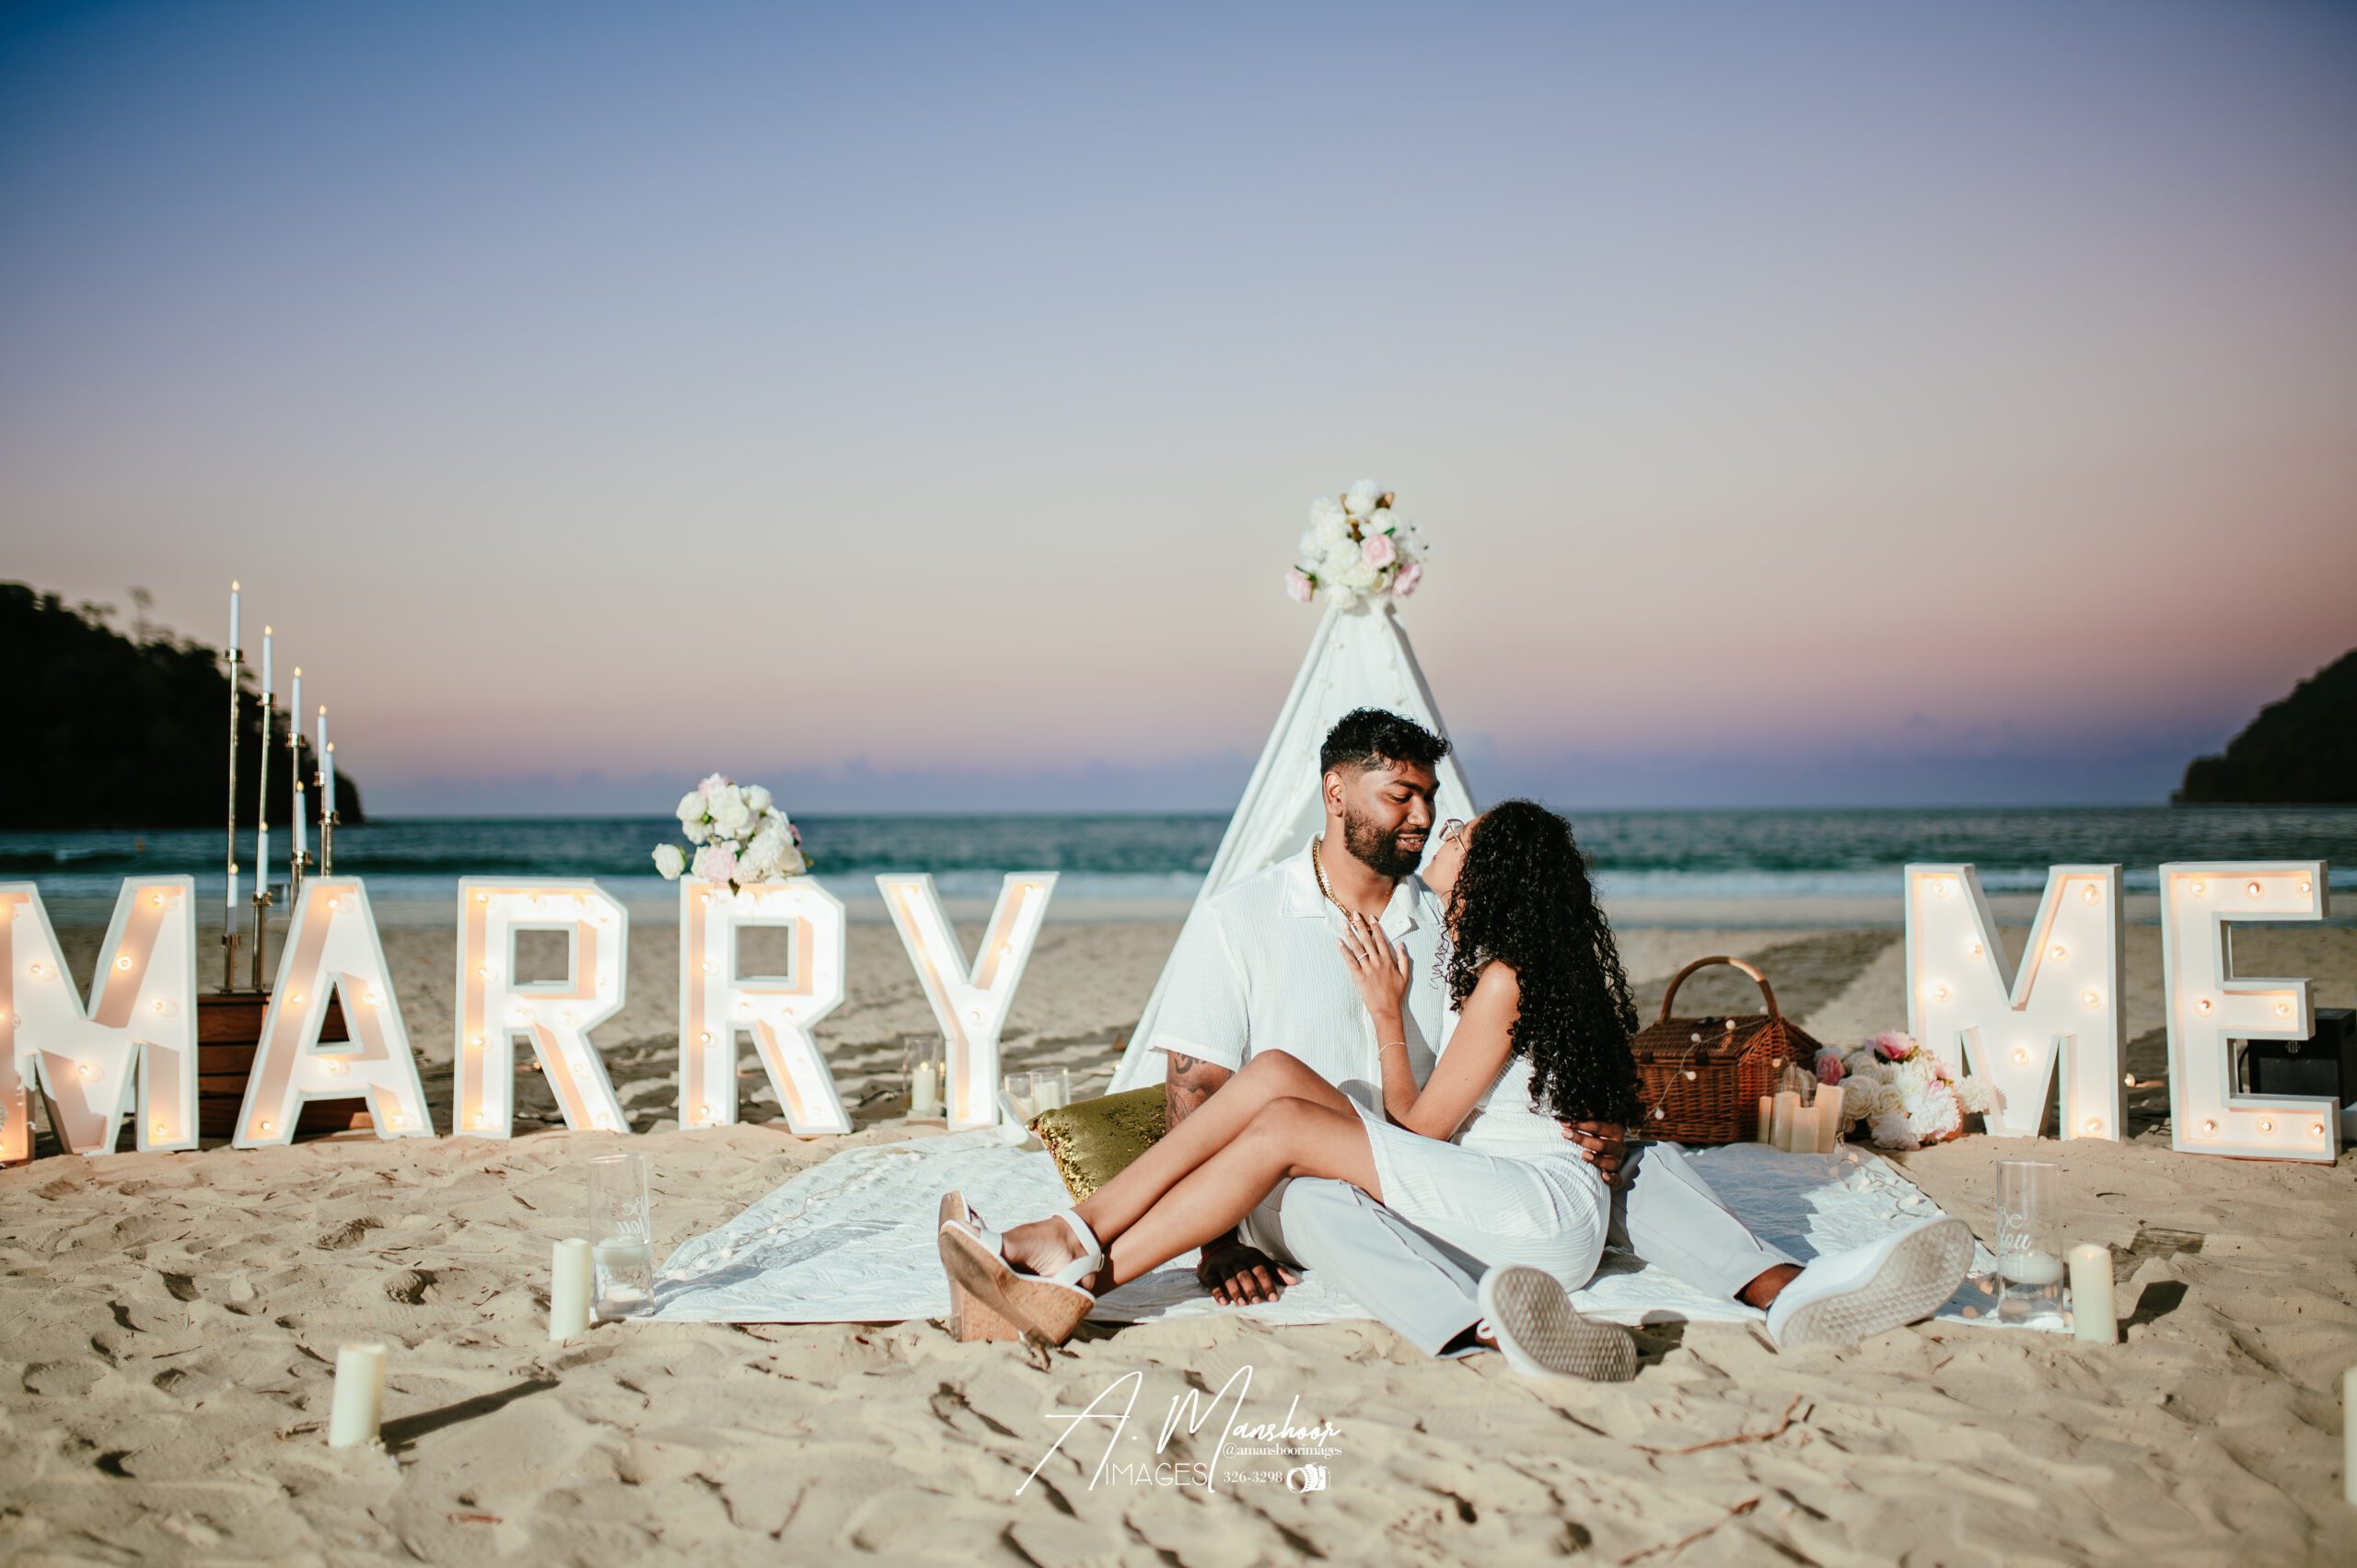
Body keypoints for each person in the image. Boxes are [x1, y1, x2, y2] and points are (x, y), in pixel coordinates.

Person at [946, 711, 1972, 1367]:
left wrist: (1599, 1120)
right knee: (1281, 1126)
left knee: (1634, 1157)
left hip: (1455, 1171)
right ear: (1336, 790)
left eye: (1442, 815)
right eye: (1407, 798)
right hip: (1383, 1178)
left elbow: (1461, 1097)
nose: (1427, 822)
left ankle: (1074, 1248)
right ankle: (1077, 1253)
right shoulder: (1244, 915)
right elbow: (1196, 1082)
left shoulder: (1466, 942)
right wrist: (1218, 1242)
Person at [941, 795, 1660, 1361]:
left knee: (1284, 1124)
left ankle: (1082, 1261)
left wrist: (1385, 1013)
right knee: (1274, 1071)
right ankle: (1072, 1243)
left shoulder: (1505, 975)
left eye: (1465, 833)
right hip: (1496, 1188)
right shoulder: (1485, 959)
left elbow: (1422, 1127)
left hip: (1538, 1214)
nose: (1446, 828)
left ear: (1491, 870)